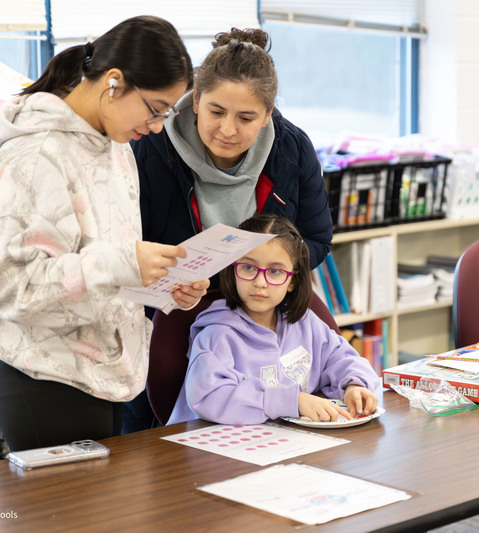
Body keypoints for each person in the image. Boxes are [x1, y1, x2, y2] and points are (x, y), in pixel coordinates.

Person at [0, 16, 209, 452]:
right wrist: (125, 262)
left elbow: (101, 270)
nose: (158, 126)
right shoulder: (37, 155)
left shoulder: (116, 148)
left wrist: (163, 285)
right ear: (114, 83)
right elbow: (9, 289)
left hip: (107, 376)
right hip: (46, 380)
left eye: (168, 113)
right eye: (155, 108)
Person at [125, 26, 334, 432]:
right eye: (216, 112)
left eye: (246, 118)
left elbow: (317, 238)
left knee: (274, 434)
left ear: (268, 113)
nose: (227, 130)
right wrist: (172, 275)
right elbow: (128, 245)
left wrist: (267, 263)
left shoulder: (291, 148)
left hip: (260, 309)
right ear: (196, 100)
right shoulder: (147, 148)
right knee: (151, 454)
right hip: (164, 317)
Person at [168, 214, 380, 425]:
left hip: (288, 444)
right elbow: (209, 397)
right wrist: (293, 401)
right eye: (248, 267)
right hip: (220, 448)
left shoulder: (306, 323)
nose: (260, 282)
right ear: (233, 270)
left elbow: (342, 358)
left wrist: (354, 386)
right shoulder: (218, 334)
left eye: (275, 271)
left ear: (292, 281)